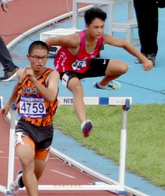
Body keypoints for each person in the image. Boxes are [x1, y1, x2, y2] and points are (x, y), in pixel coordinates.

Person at [48, 7, 152, 136]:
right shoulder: (74, 40)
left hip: (86, 64)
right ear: (87, 26)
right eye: (96, 27)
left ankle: (102, 84)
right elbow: (49, 41)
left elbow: (125, 44)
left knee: (122, 67)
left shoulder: (103, 38)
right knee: (77, 88)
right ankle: (84, 123)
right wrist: (38, 62)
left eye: (102, 27)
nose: (99, 31)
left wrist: (144, 60)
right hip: (67, 69)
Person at [2, 41, 59, 196]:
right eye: (36, 58)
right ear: (29, 58)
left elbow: (51, 96)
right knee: (26, 162)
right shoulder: (21, 74)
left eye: (43, 58)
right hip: (25, 127)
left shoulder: (52, 75)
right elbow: (18, 86)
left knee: (33, 175)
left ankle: (20, 181)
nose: (40, 62)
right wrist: (10, 103)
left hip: (45, 131)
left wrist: (34, 80)